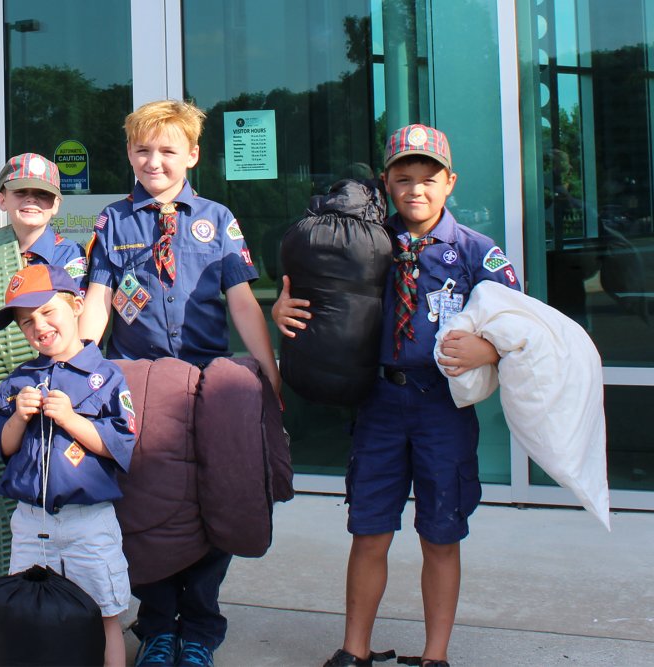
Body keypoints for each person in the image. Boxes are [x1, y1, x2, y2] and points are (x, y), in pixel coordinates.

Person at [273, 124, 521, 667]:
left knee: (440, 534)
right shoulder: (364, 244)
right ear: (385, 183)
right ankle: (354, 649)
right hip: (380, 404)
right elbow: (310, 294)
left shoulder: (476, 253)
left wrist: (491, 352)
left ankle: (436, 655)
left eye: (429, 179)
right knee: (369, 530)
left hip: (442, 408)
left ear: (450, 182)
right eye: (403, 179)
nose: (416, 191)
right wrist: (279, 311)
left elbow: (521, 327)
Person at [80, 98, 281, 667]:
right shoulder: (113, 221)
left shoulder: (217, 219)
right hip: (137, 385)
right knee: (144, 506)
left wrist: (269, 371)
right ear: (128, 153)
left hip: (204, 386)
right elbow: (97, 303)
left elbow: (241, 303)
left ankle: (199, 625)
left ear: (192, 155)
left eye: (168, 150)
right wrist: (80, 367)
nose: (154, 161)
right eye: (143, 150)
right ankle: (157, 624)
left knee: (215, 499)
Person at [0, 263, 136, 667]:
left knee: (104, 616)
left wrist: (71, 419)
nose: (40, 326)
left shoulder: (105, 376)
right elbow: (4, 443)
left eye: (49, 311)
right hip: (31, 521)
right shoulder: (20, 380)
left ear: (77, 305)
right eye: (27, 322)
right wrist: (18, 416)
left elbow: (119, 444)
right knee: (30, 617)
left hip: (88, 521)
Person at [0, 152, 89, 291]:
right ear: (2, 200)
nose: (31, 199)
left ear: (56, 204)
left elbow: (72, 309)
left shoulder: (70, 255)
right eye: (21, 191)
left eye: (43, 193)